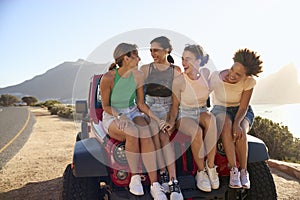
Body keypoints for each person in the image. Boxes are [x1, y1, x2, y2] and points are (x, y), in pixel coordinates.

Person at [100, 43, 168, 200]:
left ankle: (154, 185)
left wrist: (157, 120)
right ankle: (135, 178)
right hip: (113, 114)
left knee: (145, 132)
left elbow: (141, 104)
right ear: (126, 58)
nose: (139, 59)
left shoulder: (138, 75)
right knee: (132, 131)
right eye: (136, 56)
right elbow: (106, 106)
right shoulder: (108, 78)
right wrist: (119, 116)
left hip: (132, 111)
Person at [167, 44, 220, 192]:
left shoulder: (206, 73)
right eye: (182, 59)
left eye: (188, 59)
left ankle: (211, 167)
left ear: (198, 60)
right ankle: (201, 172)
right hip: (184, 114)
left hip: (202, 110)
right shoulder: (179, 80)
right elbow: (174, 107)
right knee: (197, 132)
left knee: (211, 120)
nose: (183, 63)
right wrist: (171, 122)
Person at [209, 48, 263, 189]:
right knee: (226, 126)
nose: (232, 74)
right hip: (221, 109)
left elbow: (243, 107)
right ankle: (234, 170)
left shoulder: (249, 82)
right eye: (232, 69)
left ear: (245, 76)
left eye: (238, 74)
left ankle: (244, 172)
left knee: (240, 132)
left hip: (241, 111)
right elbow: (201, 93)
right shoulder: (215, 76)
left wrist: (237, 123)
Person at [140, 36, 183, 200]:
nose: (152, 53)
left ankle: (171, 179)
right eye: (151, 50)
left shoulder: (175, 71)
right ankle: (167, 177)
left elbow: (175, 101)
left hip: (169, 108)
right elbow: (140, 98)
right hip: (150, 109)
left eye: (156, 50)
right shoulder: (145, 69)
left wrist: (171, 120)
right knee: (158, 133)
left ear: (167, 50)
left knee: (164, 133)